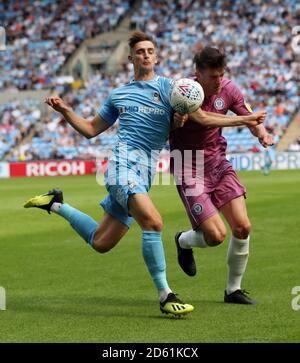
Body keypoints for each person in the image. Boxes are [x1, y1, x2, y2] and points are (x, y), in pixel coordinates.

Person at [23, 32, 266, 316]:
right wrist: (65, 110)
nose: (146, 55)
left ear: (157, 56)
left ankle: (56, 203)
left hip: (145, 173)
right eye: (140, 51)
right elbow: (90, 130)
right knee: (153, 222)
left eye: (151, 50)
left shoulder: (170, 88)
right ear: (131, 58)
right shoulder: (119, 95)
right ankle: (166, 295)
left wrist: (177, 121)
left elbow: (195, 117)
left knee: (101, 242)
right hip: (121, 167)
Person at [170, 46, 274, 304]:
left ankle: (233, 290)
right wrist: (246, 121)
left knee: (243, 226)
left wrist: (262, 134)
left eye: (221, 75)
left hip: (218, 162)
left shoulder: (229, 88)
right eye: (213, 77)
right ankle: (183, 241)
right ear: (198, 74)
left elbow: (248, 116)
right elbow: (205, 120)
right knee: (215, 236)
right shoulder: (184, 92)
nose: (219, 82)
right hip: (188, 166)